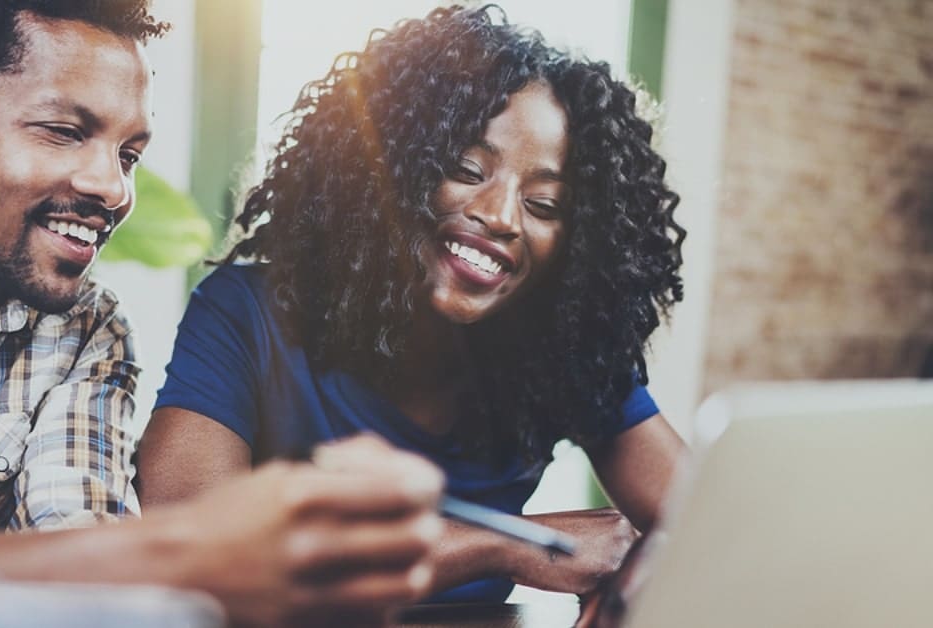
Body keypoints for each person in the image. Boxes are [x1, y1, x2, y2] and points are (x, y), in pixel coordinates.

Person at [0, 1, 447, 626]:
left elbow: (82, 543)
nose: (112, 187)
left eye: (129, 153)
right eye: (64, 131)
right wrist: (193, 547)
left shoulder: (87, 333)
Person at [140, 3, 688, 604]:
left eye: (545, 205)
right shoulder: (247, 314)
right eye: (465, 168)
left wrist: (632, 578)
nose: (500, 216)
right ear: (390, 169)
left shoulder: (565, 355)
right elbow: (190, 552)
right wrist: (505, 542)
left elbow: (708, 529)